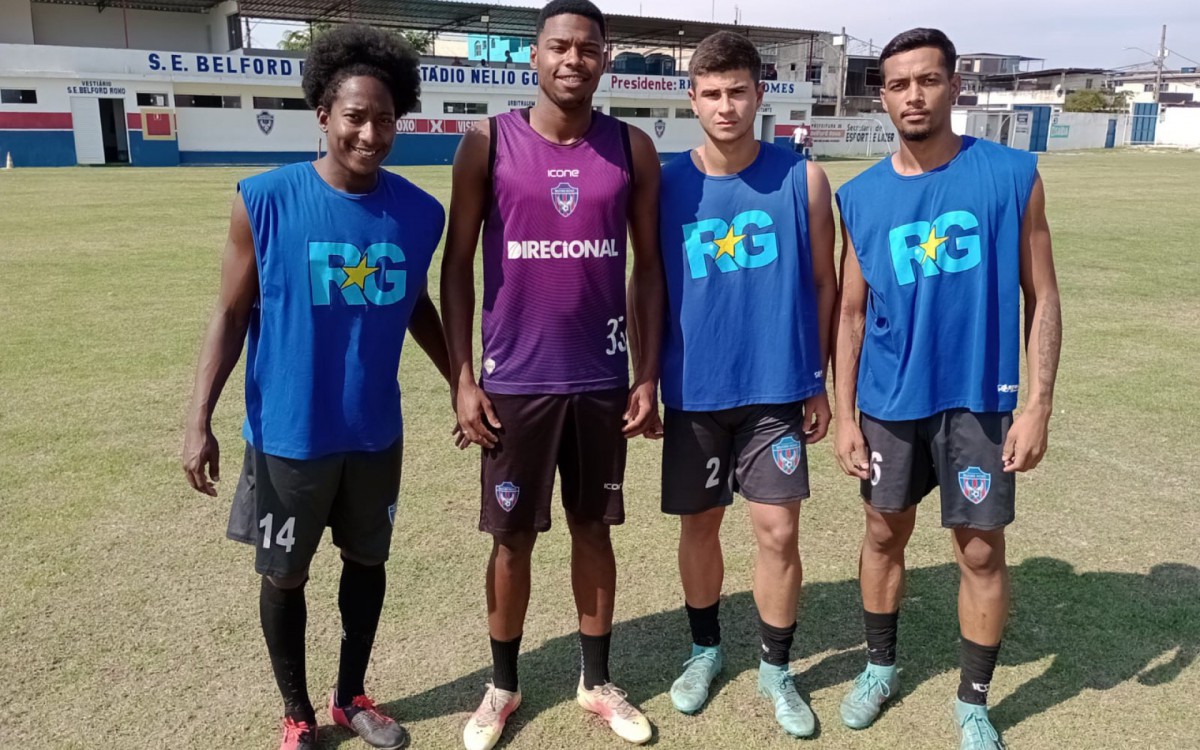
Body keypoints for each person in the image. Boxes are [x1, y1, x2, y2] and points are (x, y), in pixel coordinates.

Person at [181, 25, 452, 750]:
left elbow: (416, 302)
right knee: (286, 575)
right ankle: (297, 711)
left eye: (385, 118)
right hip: (289, 436)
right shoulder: (264, 200)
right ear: (324, 115)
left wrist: (464, 381)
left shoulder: (421, 212)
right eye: (355, 116)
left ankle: (351, 695)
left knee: (368, 563)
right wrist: (197, 417)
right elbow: (232, 313)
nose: (370, 132)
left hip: (372, 433)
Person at [440, 0, 664, 748]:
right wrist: (463, 377)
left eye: (589, 49)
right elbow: (458, 267)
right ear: (533, 56)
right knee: (511, 539)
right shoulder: (486, 141)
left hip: (600, 380)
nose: (574, 60)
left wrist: (646, 372)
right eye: (560, 47)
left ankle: (594, 681)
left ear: (607, 58)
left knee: (593, 528)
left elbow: (647, 269)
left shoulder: (631, 147)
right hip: (514, 382)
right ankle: (502, 686)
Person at [832, 27, 1061, 750]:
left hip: (978, 402)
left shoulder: (1012, 173)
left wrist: (1037, 405)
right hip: (889, 403)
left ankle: (973, 701)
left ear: (955, 86)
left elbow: (1044, 298)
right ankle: (879, 666)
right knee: (881, 533)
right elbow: (850, 312)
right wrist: (844, 416)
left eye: (928, 80)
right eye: (898, 84)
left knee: (981, 553)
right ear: (883, 95)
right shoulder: (860, 195)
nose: (913, 96)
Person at [654, 31, 835, 738]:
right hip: (695, 390)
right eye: (712, 94)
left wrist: (816, 381)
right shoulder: (667, 185)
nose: (726, 106)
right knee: (700, 525)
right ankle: (704, 650)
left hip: (774, 391)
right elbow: (649, 283)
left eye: (739, 92)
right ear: (691, 98)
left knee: (778, 530)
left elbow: (825, 281)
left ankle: (776, 666)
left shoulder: (803, 179)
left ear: (761, 95)